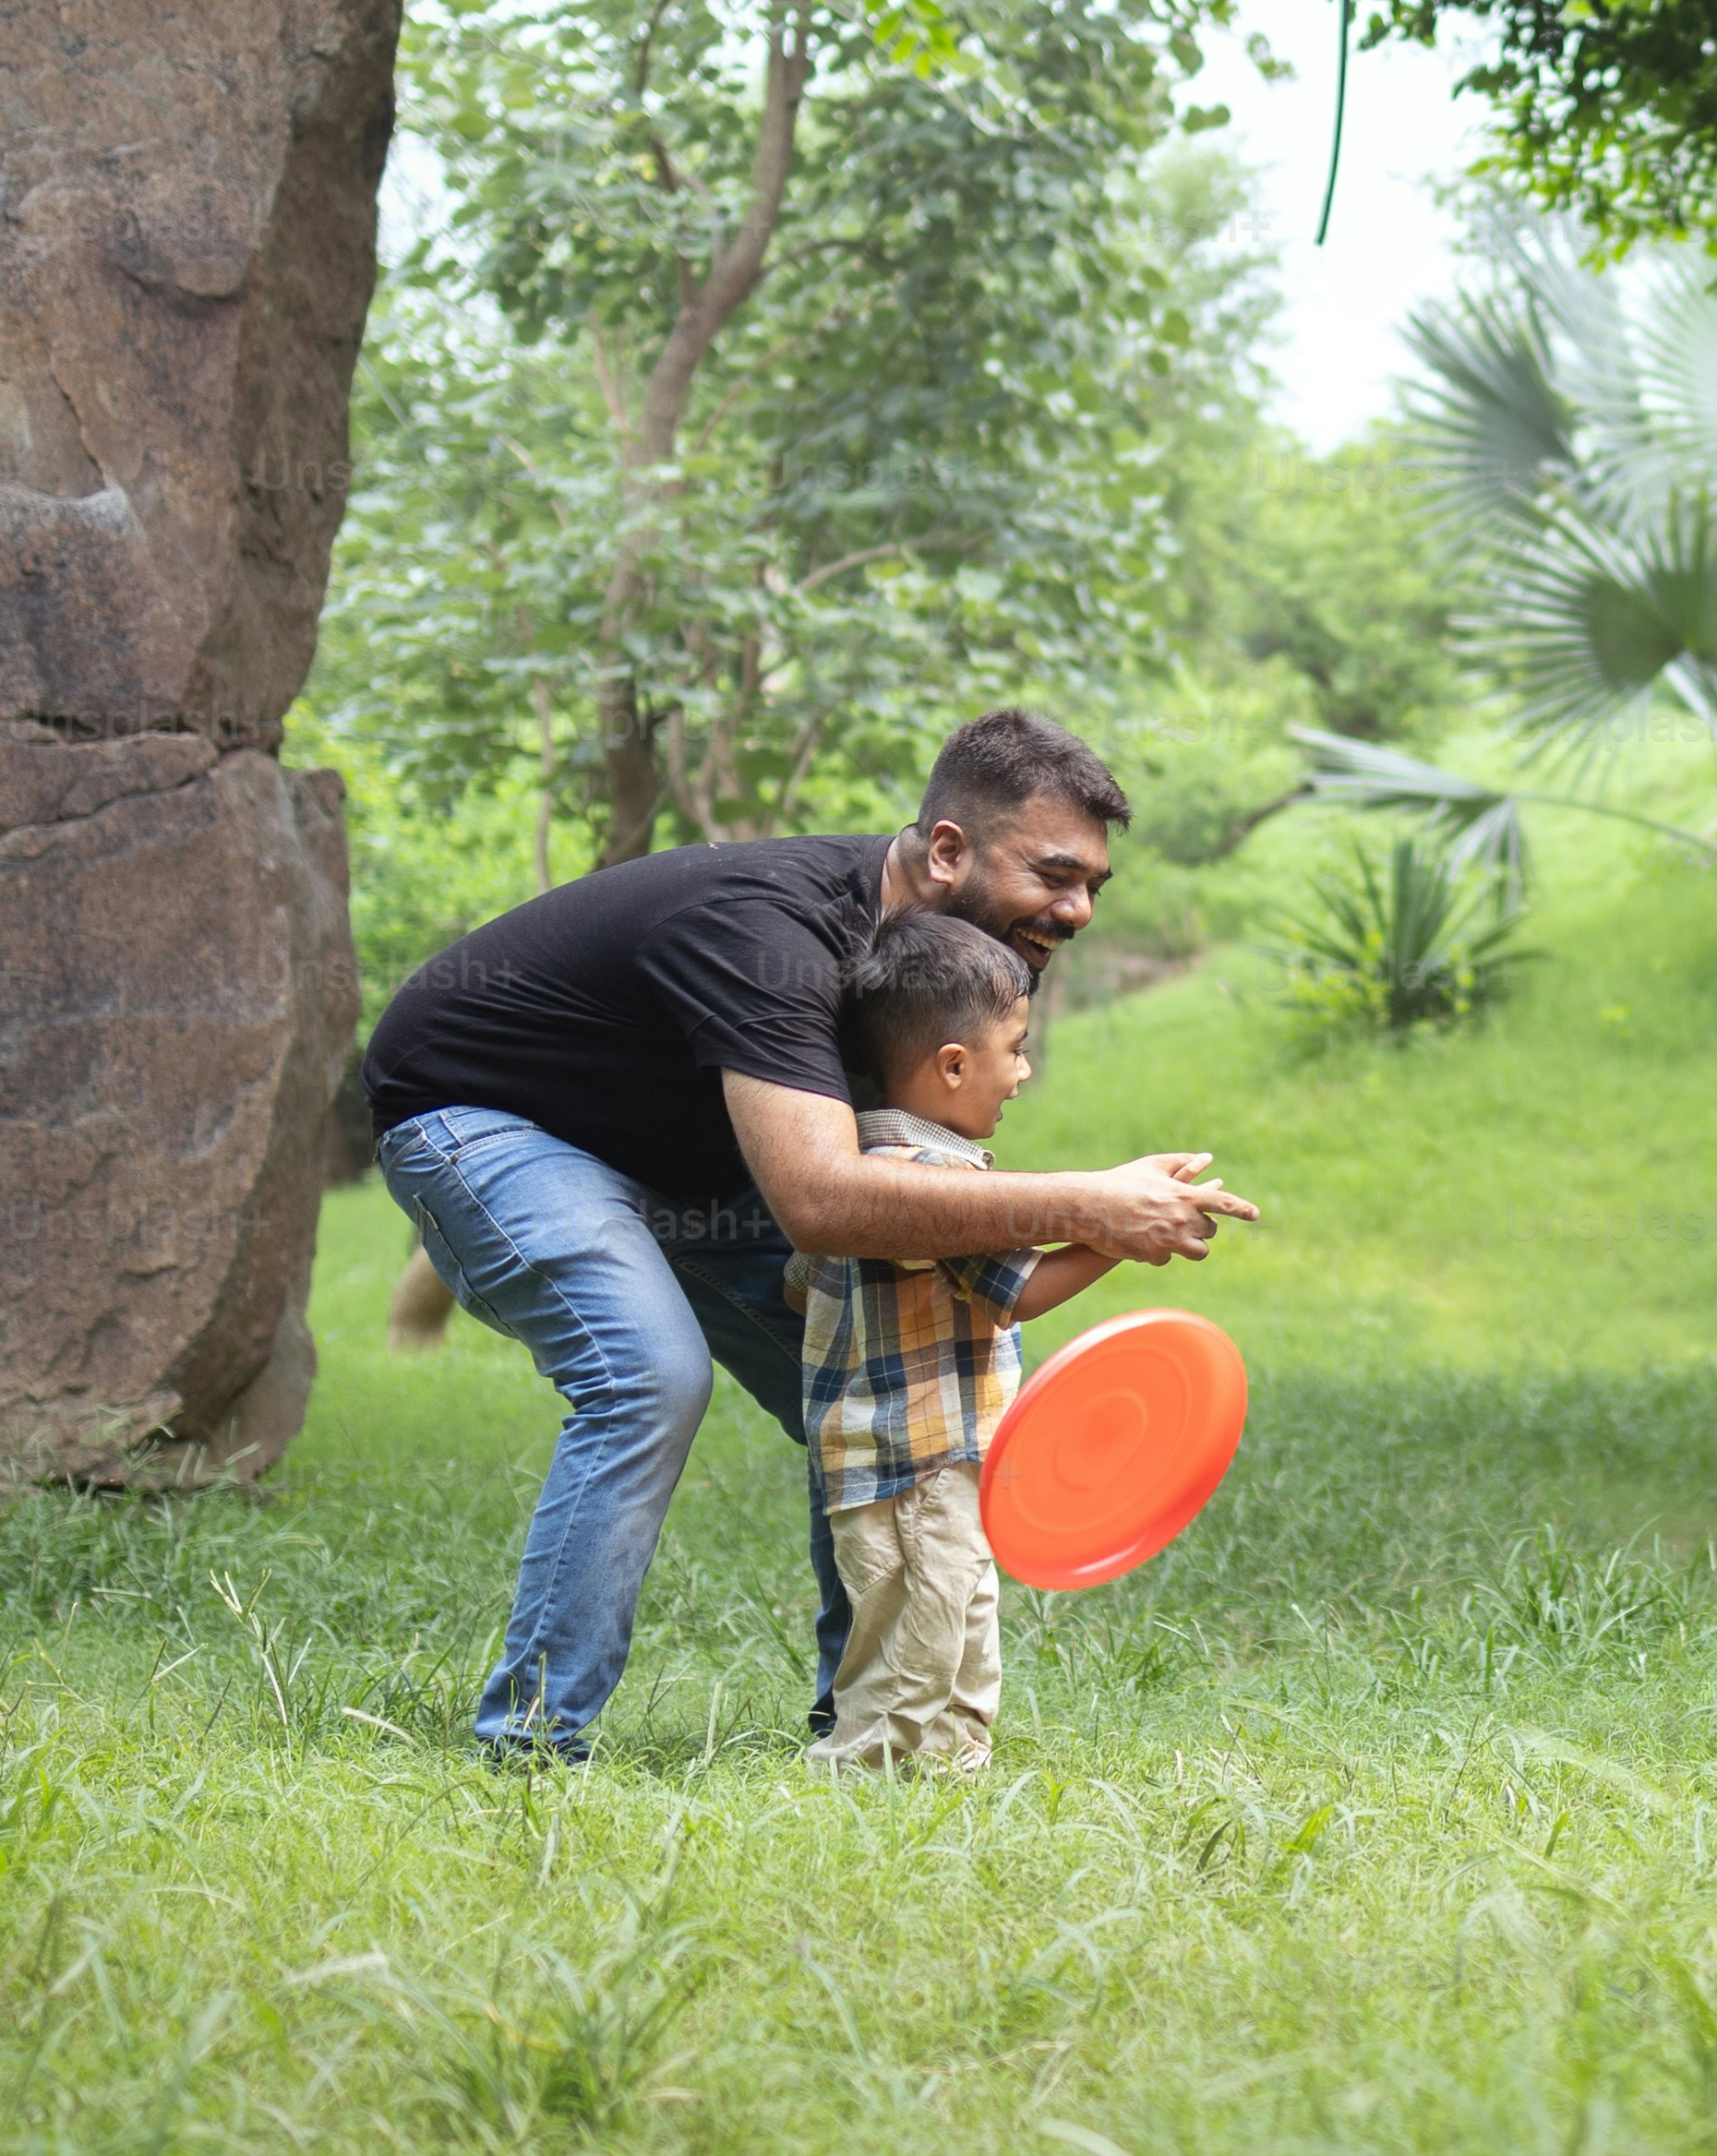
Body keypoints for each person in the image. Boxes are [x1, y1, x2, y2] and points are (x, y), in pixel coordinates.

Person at [363, 711, 1253, 1760]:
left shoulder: (929, 966)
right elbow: (826, 1203)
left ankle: (874, 1731)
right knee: (649, 1374)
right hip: (484, 1116)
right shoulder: (776, 938)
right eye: (1056, 874)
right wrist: (1087, 1203)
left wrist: (1084, 1227)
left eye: (1096, 885)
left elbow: (911, 1201)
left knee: (916, 1390)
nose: (1079, 908)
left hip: (690, 1162)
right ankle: (528, 1747)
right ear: (948, 850)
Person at [787, 910, 1118, 1775]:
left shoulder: (859, 1166)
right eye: (1015, 1047)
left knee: (960, 1620)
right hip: (912, 1462)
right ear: (953, 1065)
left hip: (932, 1458)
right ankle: (859, 1774)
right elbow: (1020, 1291)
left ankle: (951, 1767)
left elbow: (797, 1284)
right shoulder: (928, 1185)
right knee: (914, 1646)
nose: (1023, 1071)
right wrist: (1116, 1235)